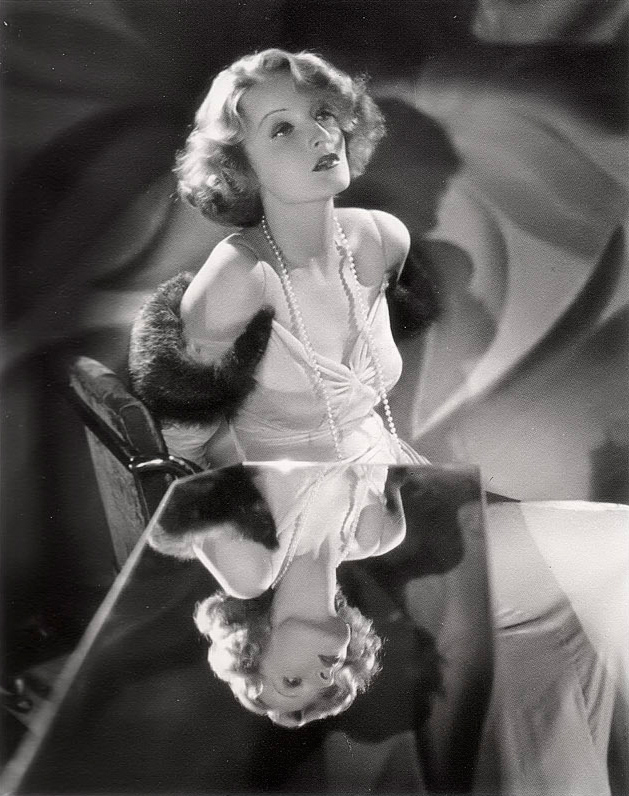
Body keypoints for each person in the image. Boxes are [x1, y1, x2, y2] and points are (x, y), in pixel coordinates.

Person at [128, 48, 430, 469]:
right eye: (283, 129)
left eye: (323, 113)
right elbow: (181, 444)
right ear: (239, 166)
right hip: (278, 495)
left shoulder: (381, 238)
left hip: (383, 472)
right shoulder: (241, 273)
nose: (321, 136)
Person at [147, 462, 409, 728]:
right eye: (330, 686)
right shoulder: (379, 536)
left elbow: (176, 500)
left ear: (251, 646)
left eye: (292, 682)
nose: (327, 678)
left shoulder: (249, 576)